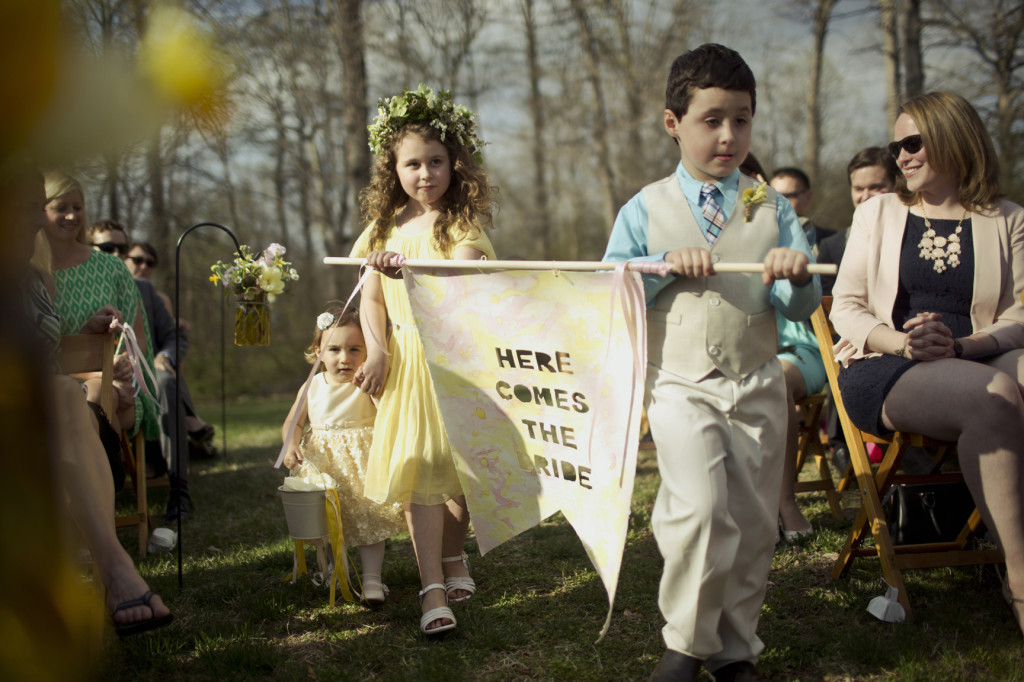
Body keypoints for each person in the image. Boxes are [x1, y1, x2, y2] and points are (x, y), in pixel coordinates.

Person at [603, 44, 820, 682]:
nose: (729, 135)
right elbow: (612, 294)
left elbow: (801, 306)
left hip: (757, 381)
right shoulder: (643, 208)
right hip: (679, 383)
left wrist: (793, 275)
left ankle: (734, 649)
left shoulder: (773, 208)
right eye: (712, 120)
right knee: (699, 508)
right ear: (674, 123)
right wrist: (660, 269)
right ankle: (685, 646)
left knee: (753, 520)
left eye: (742, 120)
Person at [831, 91, 1024, 637]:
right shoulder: (878, 212)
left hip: (979, 351)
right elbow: (845, 308)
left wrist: (963, 346)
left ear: (953, 138)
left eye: (913, 142)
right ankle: (1019, 577)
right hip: (889, 363)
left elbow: (1022, 312)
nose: (902, 156)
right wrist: (901, 343)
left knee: (1005, 380)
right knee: (995, 396)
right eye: (897, 147)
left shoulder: (1008, 219)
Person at [351, 85, 496, 635]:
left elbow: (454, 282)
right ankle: (431, 587)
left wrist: (408, 273)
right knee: (420, 468)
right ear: (394, 167)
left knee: (460, 473)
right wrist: (381, 349)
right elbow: (368, 299)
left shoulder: (461, 225)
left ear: (454, 166)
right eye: (413, 164)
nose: (426, 174)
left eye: (437, 162)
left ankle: (455, 556)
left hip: (455, 358)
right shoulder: (383, 230)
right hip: (408, 360)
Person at [10, 166, 172, 636]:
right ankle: (110, 568)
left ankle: (111, 568)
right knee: (72, 398)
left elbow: (45, 359)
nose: (43, 221)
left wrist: (101, 357)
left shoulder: (30, 282)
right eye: (30, 210)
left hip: (72, 397)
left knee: (67, 394)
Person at [281, 306, 406, 605]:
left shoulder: (367, 382)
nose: (345, 358)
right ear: (318, 351)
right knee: (325, 522)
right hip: (325, 467)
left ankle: (373, 581)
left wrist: (373, 392)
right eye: (334, 349)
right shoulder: (312, 385)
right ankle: (335, 572)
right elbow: (294, 421)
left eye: (354, 349)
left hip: (364, 464)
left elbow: (387, 415)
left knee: (369, 521)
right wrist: (291, 443)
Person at [739, 155, 828, 542]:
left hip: (796, 346)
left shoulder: (787, 227)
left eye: (750, 181)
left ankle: (785, 501)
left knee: (773, 380)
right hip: (740, 346)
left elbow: (803, 301)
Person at [85, 220, 195, 521]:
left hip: (141, 374)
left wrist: (164, 356)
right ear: (90, 249)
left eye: (122, 248)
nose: (116, 254)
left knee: (165, 381)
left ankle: (179, 489)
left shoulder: (144, 290)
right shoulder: (81, 288)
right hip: (91, 377)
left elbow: (174, 334)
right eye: (108, 248)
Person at [41, 171, 160, 444]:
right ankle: (100, 480)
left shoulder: (110, 267)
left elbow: (138, 336)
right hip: (53, 382)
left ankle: (99, 481)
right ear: (40, 211)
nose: (72, 216)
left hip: (116, 382)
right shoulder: (30, 273)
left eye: (77, 208)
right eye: (61, 208)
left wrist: (127, 362)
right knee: (80, 398)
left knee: (92, 397)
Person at [817, 147, 899, 295]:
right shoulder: (832, 247)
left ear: (896, 186)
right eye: (859, 189)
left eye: (876, 187)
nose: (866, 196)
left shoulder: (914, 233)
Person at [770, 166, 830, 253]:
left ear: (808, 197)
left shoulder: (832, 242)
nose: (781, 203)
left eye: (790, 195)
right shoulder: (762, 242)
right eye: (775, 196)